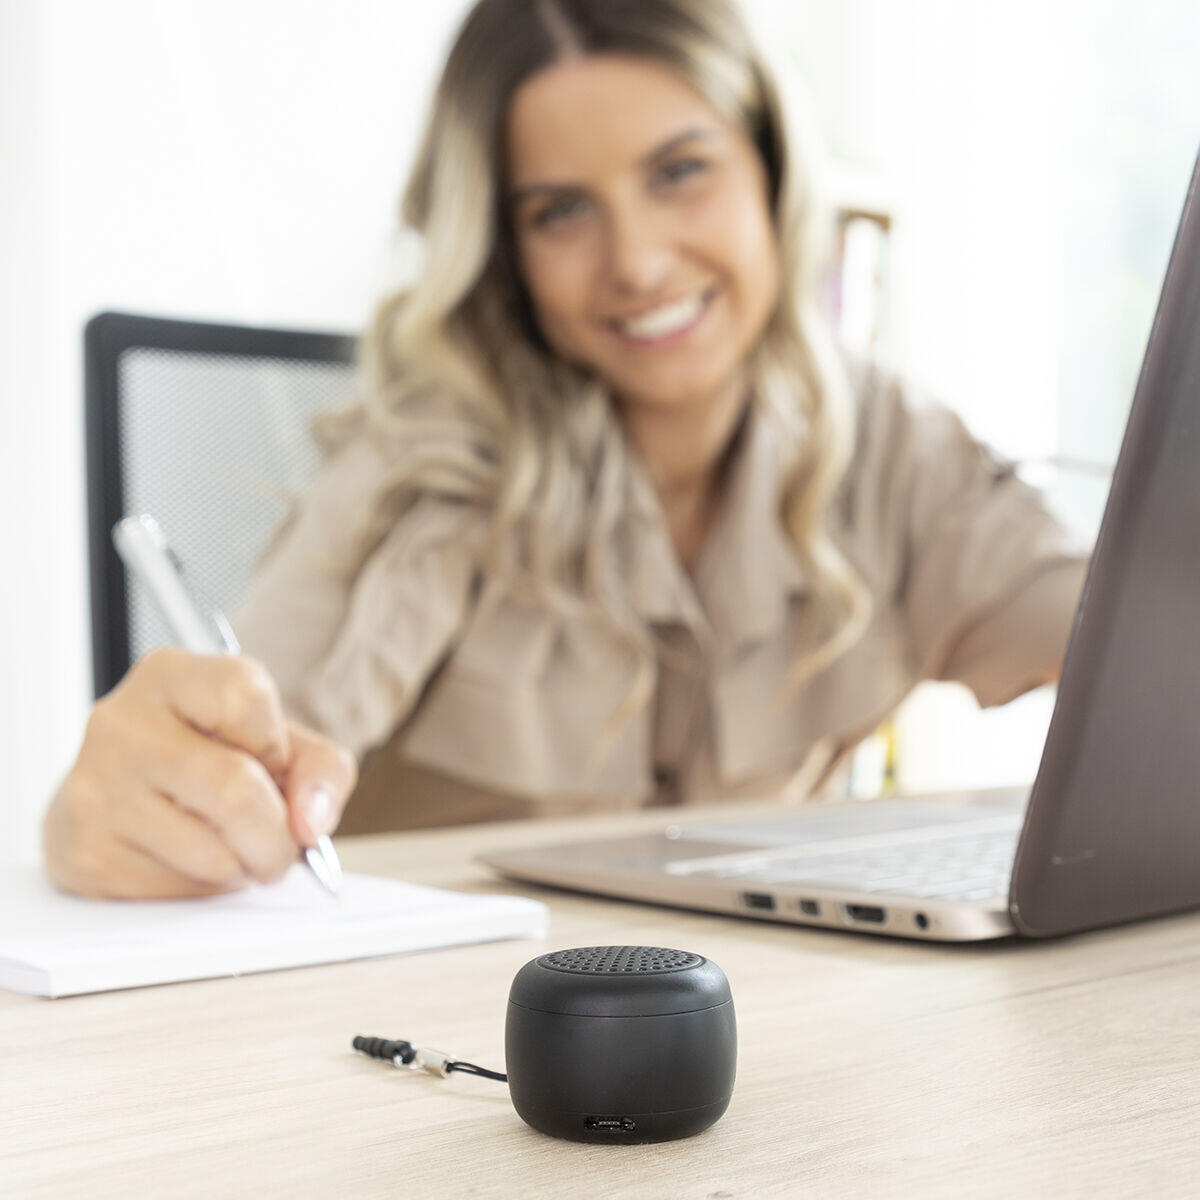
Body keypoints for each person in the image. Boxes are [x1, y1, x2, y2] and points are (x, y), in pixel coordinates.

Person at [42, 0, 1089, 899]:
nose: (636, 263)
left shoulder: (892, 444)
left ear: (772, 170)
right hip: (426, 1037)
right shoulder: (425, 467)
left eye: (680, 171)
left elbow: (1112, 634)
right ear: (505, 249)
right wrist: (134, 804)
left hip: (744, 1034)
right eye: (561, 211)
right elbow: (248, 744)